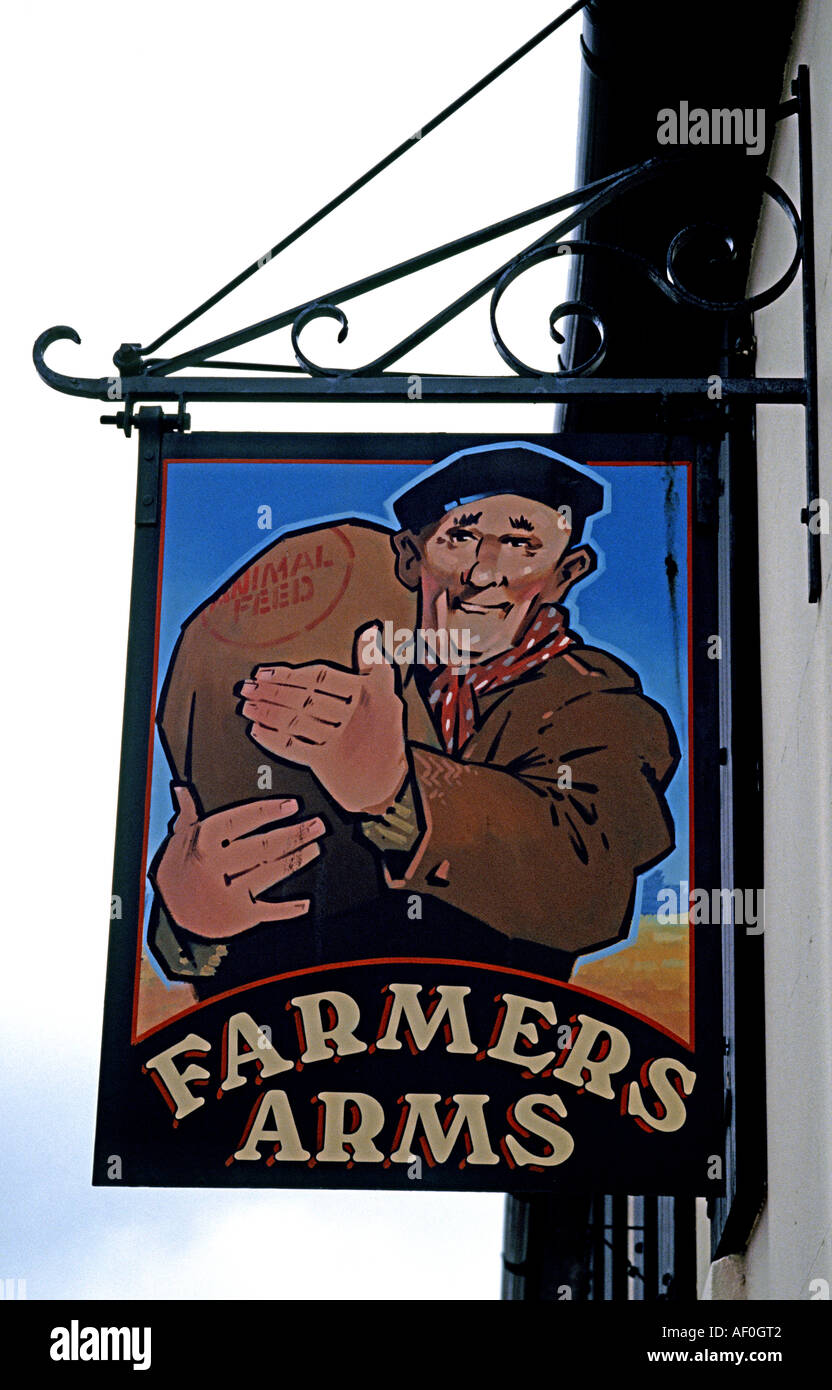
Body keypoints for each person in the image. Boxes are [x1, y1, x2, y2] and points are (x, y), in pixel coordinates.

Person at [149, 442, 680, 990]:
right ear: (410, 556)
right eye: (461, 538)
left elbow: (587, 875)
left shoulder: (599, 702)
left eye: (521, 545)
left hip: (497, 1047)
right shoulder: (354, 671)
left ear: (565, 573)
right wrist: (188, 919)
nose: (483, 574)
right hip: (297, 1044)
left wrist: (399, 790)